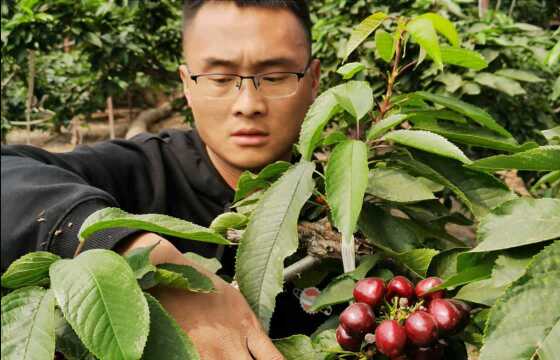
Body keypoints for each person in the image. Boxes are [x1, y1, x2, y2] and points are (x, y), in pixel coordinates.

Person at [1, 1, 324, 358]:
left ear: (313, 81)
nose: (248, 103)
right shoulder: (138, 172)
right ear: (187, 85)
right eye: (219, 78)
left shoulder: (354, 201)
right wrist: (128, 247)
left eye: (276, 77)